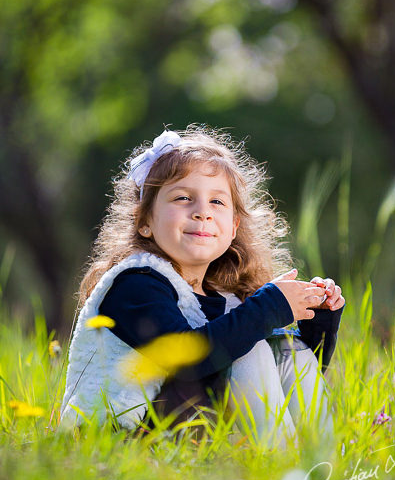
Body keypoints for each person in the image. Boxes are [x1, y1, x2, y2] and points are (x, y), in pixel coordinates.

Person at [60, 126, 345, 448]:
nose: (202, 212)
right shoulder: (135, 284)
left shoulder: (226, 298)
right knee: (244, 348)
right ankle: (278, 466)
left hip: (193, 432)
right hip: (120, 440)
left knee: (289, 352)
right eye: (183, 198)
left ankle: (321, 466)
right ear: (145, 222)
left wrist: (317, 319)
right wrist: (268, 307)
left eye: (217, 202)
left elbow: (285, 375)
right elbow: (190, 361)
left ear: (234, 226)